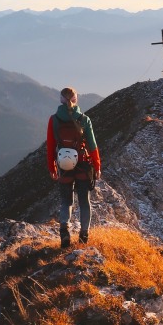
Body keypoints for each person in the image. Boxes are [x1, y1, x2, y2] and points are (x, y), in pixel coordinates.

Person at [46, 87, 101, 247]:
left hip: (64, 165)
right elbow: (92, 145)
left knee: (66, 201)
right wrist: (97, 166)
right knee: (84, 201)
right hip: (83, 164)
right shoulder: (84, 119)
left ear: (61, 100)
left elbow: (50, 146)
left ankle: (64, 230)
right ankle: (84, 235)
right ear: (75, 100)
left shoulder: (54, 119)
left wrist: (52, 167)